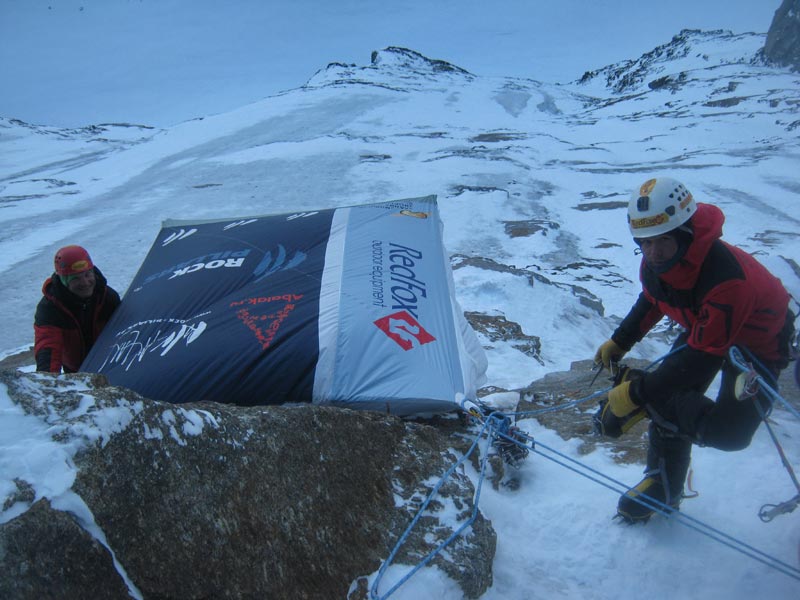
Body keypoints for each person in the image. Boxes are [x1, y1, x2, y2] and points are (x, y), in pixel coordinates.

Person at [593, 176, 796, 523]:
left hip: (756, 346)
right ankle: (663, 486)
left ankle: (654, 408)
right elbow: (656, 297)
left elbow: (702, 358)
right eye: (645, 243)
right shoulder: (663, 260)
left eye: (662, 242)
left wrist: (639, 393)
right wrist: (621, 340)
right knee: (669, 393)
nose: (653, 253)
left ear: (686, 233)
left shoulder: (726, 280)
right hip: (707, 326)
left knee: (729, 434)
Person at [34, 245, 121, 373]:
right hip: (76, 372)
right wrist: (49, 384)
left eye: (87, 275)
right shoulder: (50, 309)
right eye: (76, 279)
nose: (85, 283)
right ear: (64, 281)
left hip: (111, 363)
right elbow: (48, 349)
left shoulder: (107, 298)